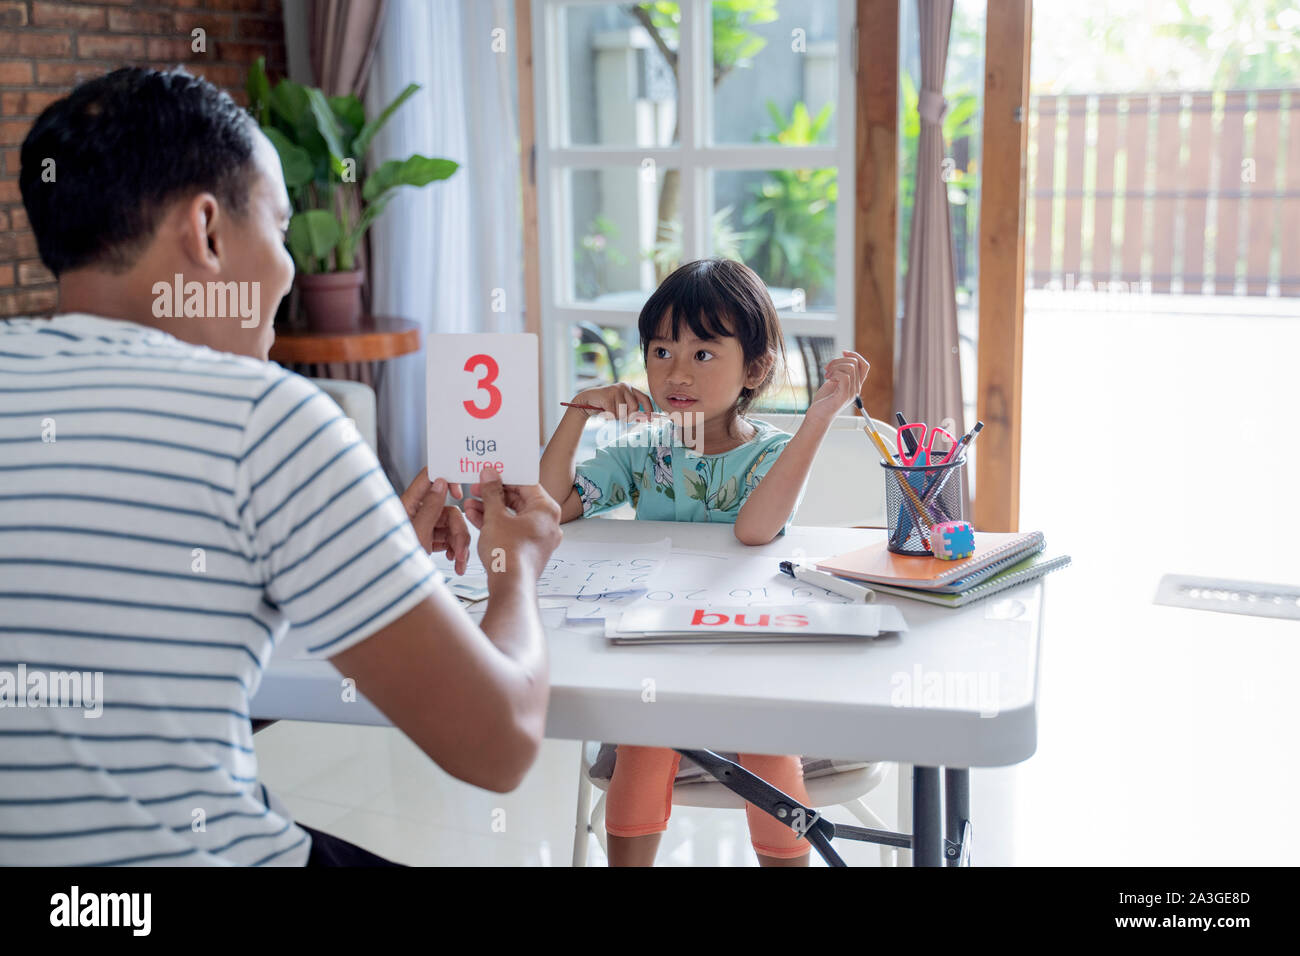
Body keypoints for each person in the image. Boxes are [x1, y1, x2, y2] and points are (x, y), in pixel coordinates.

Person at [0, 67, 560, 866]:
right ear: (208, 230)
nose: (292, 268)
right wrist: (517, 568)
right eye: (282, 225)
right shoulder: (267, 417)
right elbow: (500, 743)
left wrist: (359, 556)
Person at [539, 258, 870, 866]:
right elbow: (552, 507)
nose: (675, 373)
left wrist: (820, 415)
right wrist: (578, 413)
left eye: (703, 354)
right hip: (661, 661)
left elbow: (754, 529)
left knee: (765, 744)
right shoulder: (646, 449)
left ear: (757, 368)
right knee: (644, 737)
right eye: (660, 351)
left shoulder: (771, 450)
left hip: (747, 663)